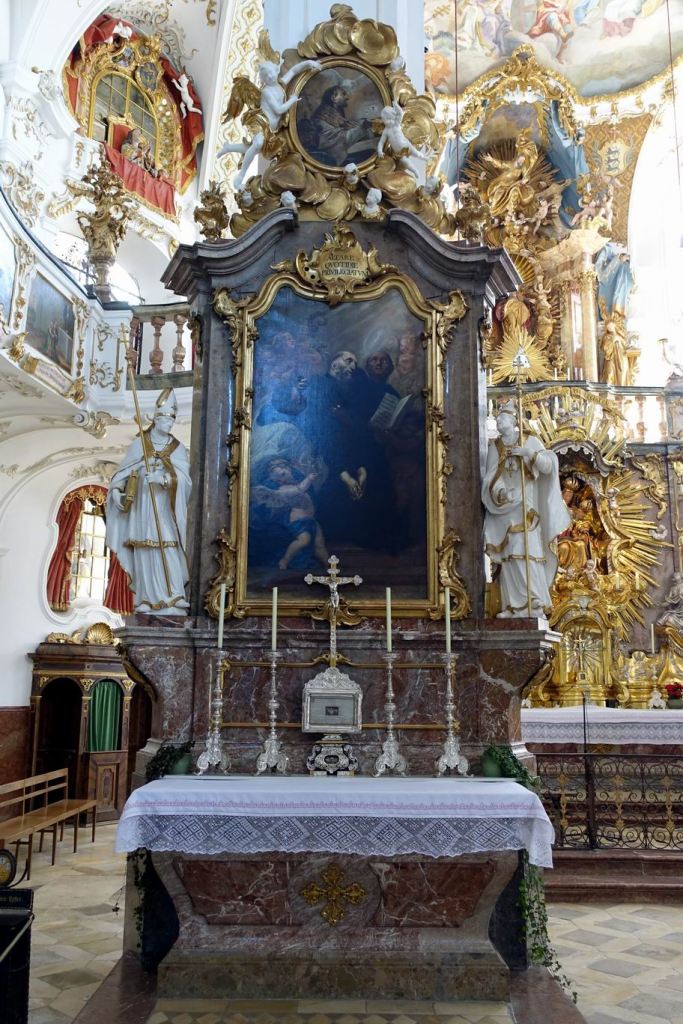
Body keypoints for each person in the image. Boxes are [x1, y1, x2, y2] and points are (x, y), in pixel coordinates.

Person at [106, 389, 191, 614]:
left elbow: (186, 479)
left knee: (169, 544)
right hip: (143, 503)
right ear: (156, 419)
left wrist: (164, 479)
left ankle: (175, 595)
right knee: (144, 546)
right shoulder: (140, 444)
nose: (169, 424)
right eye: (166, 420)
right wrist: (117, 491)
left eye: (172, 420)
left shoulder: (177, 448)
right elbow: (123, 472)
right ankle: (145, 598)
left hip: (165, 506)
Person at [482, 403, 570, 617]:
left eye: (502, 417)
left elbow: (548, 466)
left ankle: (534, 600)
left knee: (526, 549)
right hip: (505, 508)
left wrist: (530, 454)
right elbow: (491, 476)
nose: (498, 421)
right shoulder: (495, 447)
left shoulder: (530, 440)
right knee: (509, 554)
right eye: (497, 418)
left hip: (526, 507)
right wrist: (501, 493)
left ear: (513, 421)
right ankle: (512, 606)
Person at [252, 458, 329, 571]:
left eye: (283, 474)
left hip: (311, 520)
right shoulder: (283, 490)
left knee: (319, 544)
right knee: (304, 541)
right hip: (299, 522)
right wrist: (309, 478)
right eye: (277, 479)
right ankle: (285, 560)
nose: (281, 480)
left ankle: (329, 565)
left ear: (288, 468)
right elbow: (300, 489)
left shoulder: (296, 482)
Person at [299, 84, 375, 167]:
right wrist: (362, 128)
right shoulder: (320, 120)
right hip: (332, 162)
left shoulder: (336, 116)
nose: (347, 97)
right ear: (333, 98)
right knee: (370, 154)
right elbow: (340, 138)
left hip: (343, 155)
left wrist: (364, 127)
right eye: (343, 94)